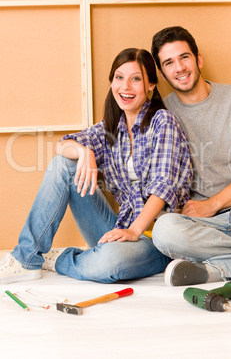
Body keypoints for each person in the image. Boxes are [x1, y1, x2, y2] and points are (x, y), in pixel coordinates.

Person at [0, 47, 192, 285]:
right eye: (119, 77)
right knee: (63, 164)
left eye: (136, 79)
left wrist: (134, 232)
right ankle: (27, 259)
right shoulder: (110, 129)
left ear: (151, 85)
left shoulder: (163, 121)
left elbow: (163, 187)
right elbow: (62, 146)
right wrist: (84, 151)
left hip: (157, 239)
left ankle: (60, 257)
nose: (125, 87)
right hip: (118, 230)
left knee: (109, 263)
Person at [151, 26, 231, 286]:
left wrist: (212, 204)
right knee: (164, 230)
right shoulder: (162, 114)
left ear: (198, 59)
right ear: (161, 73)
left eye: (184, 57)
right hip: (199, 226)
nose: (179, 67)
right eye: (169, 62)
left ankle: (213, 270)